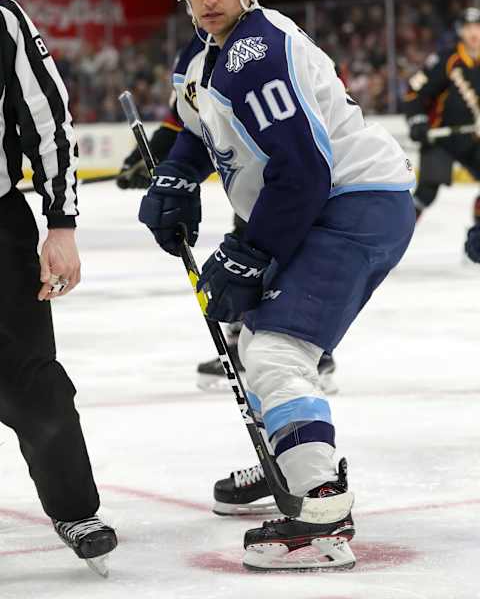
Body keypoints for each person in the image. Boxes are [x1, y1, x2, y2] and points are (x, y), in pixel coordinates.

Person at [138, 0, 415, 571]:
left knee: (275, 349)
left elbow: (304, 171)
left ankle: (320, 510)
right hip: (326, 203)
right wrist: (177, 176)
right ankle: (290, 459)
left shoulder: (255, 52)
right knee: (249, 332)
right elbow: (202, 125)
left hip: (351, 202)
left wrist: (250, 250)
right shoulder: (206, 53)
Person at [118, 70, 339, 393]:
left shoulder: (259, 46)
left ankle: (309, 347)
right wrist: (149, 162)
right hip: (253, 179)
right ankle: (259, 341)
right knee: (251, 253)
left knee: (273, 254)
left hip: (285, 174)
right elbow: (186, 122)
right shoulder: (198, 55)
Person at [0, 0, 117, 574]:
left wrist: (62, 224)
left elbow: (46, 121)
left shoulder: (1, 19)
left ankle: (74, 508)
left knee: (31, 378)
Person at [403, 6, 480, 263]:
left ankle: (476, 247)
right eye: (468, 27)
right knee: (426, 193)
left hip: (472, 140)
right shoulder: (446, 60)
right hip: (440, 138)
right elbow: (414, 93)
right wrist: (417, 121)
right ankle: (389, 237)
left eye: (478, 27)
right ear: (460, 32)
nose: (474, 33)